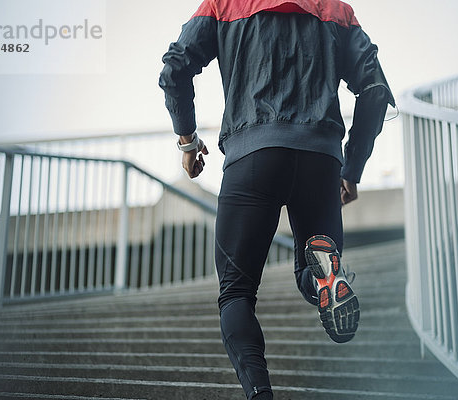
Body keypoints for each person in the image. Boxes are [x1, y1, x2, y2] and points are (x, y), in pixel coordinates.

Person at [160, 0, 395, 398]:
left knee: (236, 292)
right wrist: (351, 168)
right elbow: (374, 90)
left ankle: (259, 391)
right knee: (312, 265)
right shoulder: (336, 9)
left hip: (253, 155)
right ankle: (323, 272)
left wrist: (187, 139)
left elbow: (175, 67)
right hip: (320, 159)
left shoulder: (223, 4)